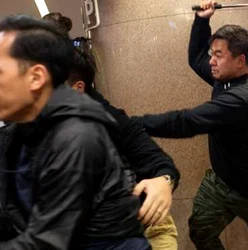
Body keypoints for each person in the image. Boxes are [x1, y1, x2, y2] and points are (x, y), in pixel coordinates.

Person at [132, 1, 248, 249]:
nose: (211, 61)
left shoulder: (246, 96)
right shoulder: (225, 77)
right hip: (222, 182)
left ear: (241, 60)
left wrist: (133, 124)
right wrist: (202, 20)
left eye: (218, 55)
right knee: (201, 232)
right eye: (213, 54)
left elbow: (189, 122)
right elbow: (197, 57)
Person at [0, 15, 149, 249]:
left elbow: (51, 238)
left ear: (36, 77)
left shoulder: (77, 134)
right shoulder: (20, 131)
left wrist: (163, 177)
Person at [66, 46, 180, 249]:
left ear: (77, 89)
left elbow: (159, 162)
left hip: (145, 228)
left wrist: (163, 181)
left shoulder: (112, 121)